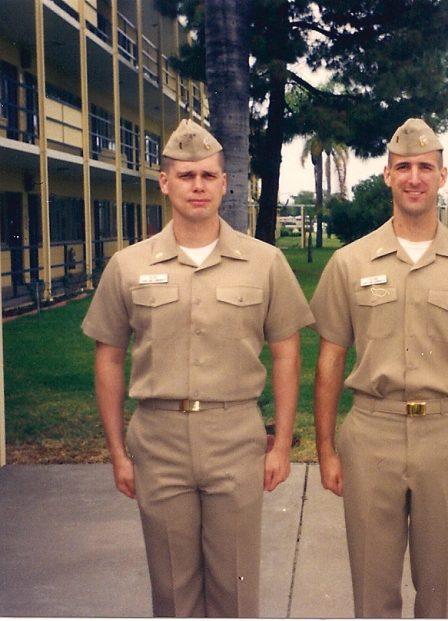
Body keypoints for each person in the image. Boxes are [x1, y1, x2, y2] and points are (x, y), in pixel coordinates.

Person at [81, 119, 314, 617]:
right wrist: (119, 452)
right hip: (158, 438)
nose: (198, 186)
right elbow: (109, 357)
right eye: (186, 176)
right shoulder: (127, 265)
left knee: (235, 584)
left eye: (208, 176)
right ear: (164, 182)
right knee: (171, 590)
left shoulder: (264, 262)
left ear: (225, 183)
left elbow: (287, 352)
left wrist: (283, 442)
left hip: (235, 436)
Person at [310, 117, 448, 618]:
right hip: (370, 436)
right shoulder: (350, 262)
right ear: (387, 175)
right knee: (372, 589)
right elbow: (329, 361)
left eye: (425, 167)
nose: (414, 177)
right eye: (403, 167)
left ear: (442, 176)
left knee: (440, 592)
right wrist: (326, 450)